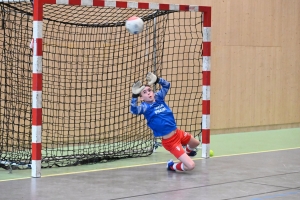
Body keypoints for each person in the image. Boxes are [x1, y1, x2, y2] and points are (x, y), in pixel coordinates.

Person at [130, 72, 200, 172]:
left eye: (149, 90)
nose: (149, 93)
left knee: (195, 143)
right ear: (141, 98)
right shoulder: (145, 107)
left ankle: (186, 153)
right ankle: (171, 166)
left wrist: (158, 80)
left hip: (178, 133)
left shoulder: (158, 98)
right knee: (191, 166)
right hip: (170, 141)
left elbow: (167, 85)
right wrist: (134, 96)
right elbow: (133, 110)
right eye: (144, 92)